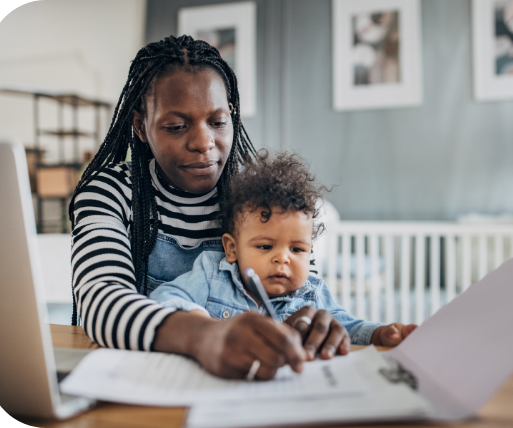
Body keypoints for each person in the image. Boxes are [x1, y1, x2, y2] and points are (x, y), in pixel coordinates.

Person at [69, 35, 345, 381]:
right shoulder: (111, 191)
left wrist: (309, 319)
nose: (203, 143)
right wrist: (205, 337)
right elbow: (101, 302)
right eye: (175, 127)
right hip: (145, 381)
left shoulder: (260, 196)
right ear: (141, 125)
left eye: (217, 122)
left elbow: (303, 287)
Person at [149, 151, 417, 357]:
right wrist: (203, 327)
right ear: (232, 249)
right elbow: (164, 297)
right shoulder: (212, 274)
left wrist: (381, 334)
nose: (283, 258)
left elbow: (349, 328)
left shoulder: (312, 294)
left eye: (297, 249)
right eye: (265, 247)